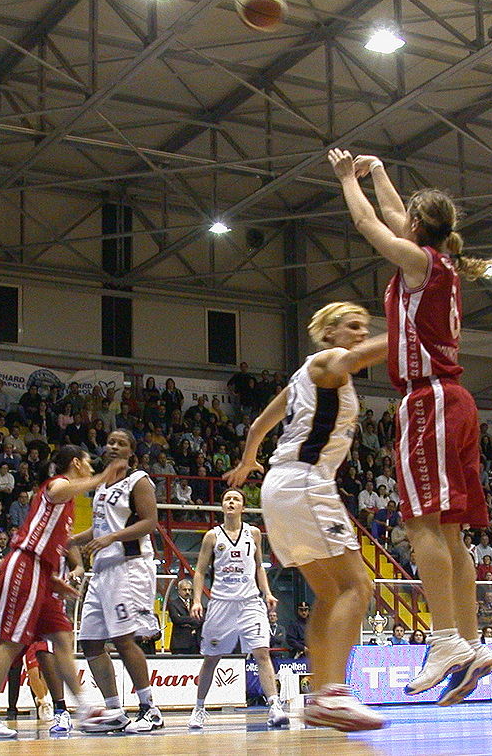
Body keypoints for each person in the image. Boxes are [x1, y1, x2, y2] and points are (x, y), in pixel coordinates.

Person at [329, 148, 492, 706]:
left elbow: (368, 223)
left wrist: (344, 180)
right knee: (450, 533)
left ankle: (446, 639)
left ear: (419, 229)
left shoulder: (421, 264)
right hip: (455, 400)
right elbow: (396, 214)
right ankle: (471, 643)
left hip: (429, 400)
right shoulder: (435, 262)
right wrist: (377, 172)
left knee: (421, 523)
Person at [226, 300, 388, 731]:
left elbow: (260, 422)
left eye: (365, 327)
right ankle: (334, 692)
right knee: (358, 585)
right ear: (330, 332)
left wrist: (247, 461)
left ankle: (320, 695)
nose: (360, 333)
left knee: (331, 594)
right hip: (305, 483)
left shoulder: (304, 374)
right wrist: (413, 330)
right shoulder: (332, 361)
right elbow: (358, 356)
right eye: (353, 326)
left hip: (281, 486)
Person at [0, 446, 118, 738]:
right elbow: (61, 488)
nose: (91, 468)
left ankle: (84, 709)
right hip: (25, 563)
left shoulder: (70, 502)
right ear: (76, 463)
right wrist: (102, 478)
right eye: (88, 464)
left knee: (62, 636)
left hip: (42, 573)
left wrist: (52, 579)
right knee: (10, 641)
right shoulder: (58, 484)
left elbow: (55, 544)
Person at [71, 429, 164, 734]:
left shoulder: (138, 480)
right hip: (102, 569)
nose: (113, 446)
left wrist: (111, 537)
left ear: (131, 452)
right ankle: (114, 711)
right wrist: (69, 541)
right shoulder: (100, 485)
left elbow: (149, 523)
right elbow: (100, 530)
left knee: (124, 639)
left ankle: (150, 709)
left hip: (129, 567)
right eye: (110, 441)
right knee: (90, 641)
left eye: (121, 443)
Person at [188, 488, 287, 730]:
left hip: (250, 601)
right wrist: (197, 600)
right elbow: (200, 571)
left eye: (236, 499)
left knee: (262, 652)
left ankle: (274, 706)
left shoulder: (253, 534)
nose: (231, 502)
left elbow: (259, 567)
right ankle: (199, 708)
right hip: (221, 602)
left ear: (243, 506)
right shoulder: (212, 536)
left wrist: (267, 593)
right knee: (211, 659)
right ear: (223, 506)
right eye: (227, 499)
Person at [168, 578, 200, 654]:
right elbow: (177, 619)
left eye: (189, 590)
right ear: (179, 591)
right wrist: (193, 619)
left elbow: (201, 619)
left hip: (195, 643)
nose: (188, 592)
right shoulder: (173, 604)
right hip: (180, 644)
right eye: (185, 590)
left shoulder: (196, 604)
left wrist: (185, 620)